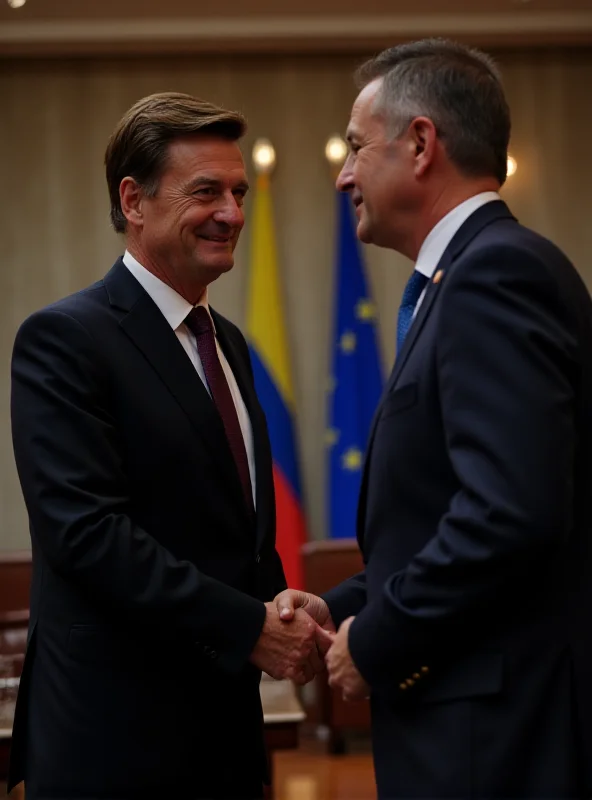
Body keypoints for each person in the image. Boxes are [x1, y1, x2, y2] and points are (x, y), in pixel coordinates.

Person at [276, 39, 592, 798]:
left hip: (498, 738)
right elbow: (444, 514)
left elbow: (510, 513)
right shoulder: (466, 278)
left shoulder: (493, 274)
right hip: (479, 725)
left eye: (355, 148)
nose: (343, 173)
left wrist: (380, 639)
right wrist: (344, 604)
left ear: (420, 144)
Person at [9, 92, 328, 800]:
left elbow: (223, 520)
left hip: (225, 730)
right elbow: (87, 535)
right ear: (134, 200)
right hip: (115, 739)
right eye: (206, 191)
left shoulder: (231, 345)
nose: (233, 213)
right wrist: (250, 625)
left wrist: (277, 603)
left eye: (238, 192)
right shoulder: (65, 341)